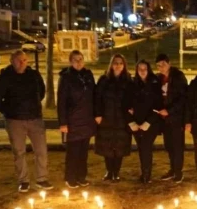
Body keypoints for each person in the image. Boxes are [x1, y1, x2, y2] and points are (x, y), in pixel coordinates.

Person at [0, 50, 52, 192]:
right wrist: (9, 111)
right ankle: (23, 181)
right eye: (19, 60)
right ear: (12, 61)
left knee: (41, 150)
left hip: (35, 118)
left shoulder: (34, 76)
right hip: (15, 121)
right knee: (19, 152)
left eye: (24, 60)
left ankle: (42, 178)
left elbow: (41, 92)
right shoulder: (4, 78)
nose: (22, 63)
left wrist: (34, 105)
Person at [57, 50, 96, 188]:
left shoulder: (88, 75)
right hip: (72, 120)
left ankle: (81, 176)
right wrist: (63, 123)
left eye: (80, 59)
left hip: (86, 119)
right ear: (70, 62)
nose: (78, 62)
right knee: (73, 151)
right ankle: (71, 177)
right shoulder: (66, 77)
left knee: (83, 151)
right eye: (75, 60)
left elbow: (94, 95)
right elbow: (61, 101)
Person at [95, 54, 133, 182]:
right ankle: (109, 171)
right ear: (111, 64)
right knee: (107, 146)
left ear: (124, 65)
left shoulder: (128, 80)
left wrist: (132, 109)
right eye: (115, 63)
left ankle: (116, 171)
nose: (118, 65)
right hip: (107, 118)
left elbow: (133, 98)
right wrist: (98, 114)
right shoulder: (104, 80)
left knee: (120, 147)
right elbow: (97, 98)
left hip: (122, 119)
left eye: (120, 63)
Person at [127, 60, 163, 184]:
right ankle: (144, 173)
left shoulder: (154, 84)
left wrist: (148, 122)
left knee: (146, 147)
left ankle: (147, 175)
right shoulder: (132, 84)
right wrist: (132, 122)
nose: (142, 71)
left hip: (150, 124)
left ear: (149, 70)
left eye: (145, 69)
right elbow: (127, 104)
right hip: (136, 124)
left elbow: (158, 104)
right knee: (141, 148)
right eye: (140, 69)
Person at [155, 53, 188, 183]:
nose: (161, 67)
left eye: (163, 64)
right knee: (169, 145)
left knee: (177, 146)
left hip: (176, 118)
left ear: (169, 63)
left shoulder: (178, 77)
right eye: (158, 66)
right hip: (164, 119)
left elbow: (183, 98)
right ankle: (172, 169)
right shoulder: (158, 78)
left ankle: (178, 172)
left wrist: (169, 110)